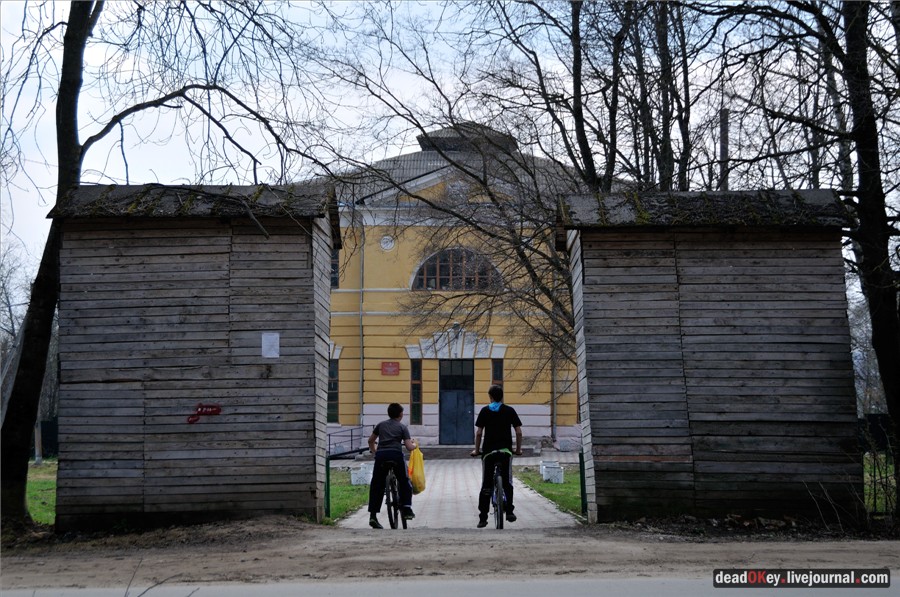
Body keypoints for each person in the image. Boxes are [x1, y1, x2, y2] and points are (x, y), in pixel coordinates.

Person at [470, 384, 523, 528]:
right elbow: (518, 432)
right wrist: (517, 450)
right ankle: (510, 512)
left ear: (490, 397)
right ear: (502, 396)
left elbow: (479, 433)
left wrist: (476, 450)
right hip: (505, 452)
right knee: (507, 482)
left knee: (486, 484)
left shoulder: (485, 411)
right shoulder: (509, 410)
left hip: (489, 453)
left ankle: (483, 518)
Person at [367, 402, 418, 529]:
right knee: (404, 480)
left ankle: (373, 516)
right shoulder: (402, 427)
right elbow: (409, 447)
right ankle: (406, 508)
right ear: (400, 414)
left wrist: (375, 452)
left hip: (381, 456)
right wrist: (415, 444)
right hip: (396, 455)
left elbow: (370, 440)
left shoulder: (381, 425)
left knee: (376, 484)